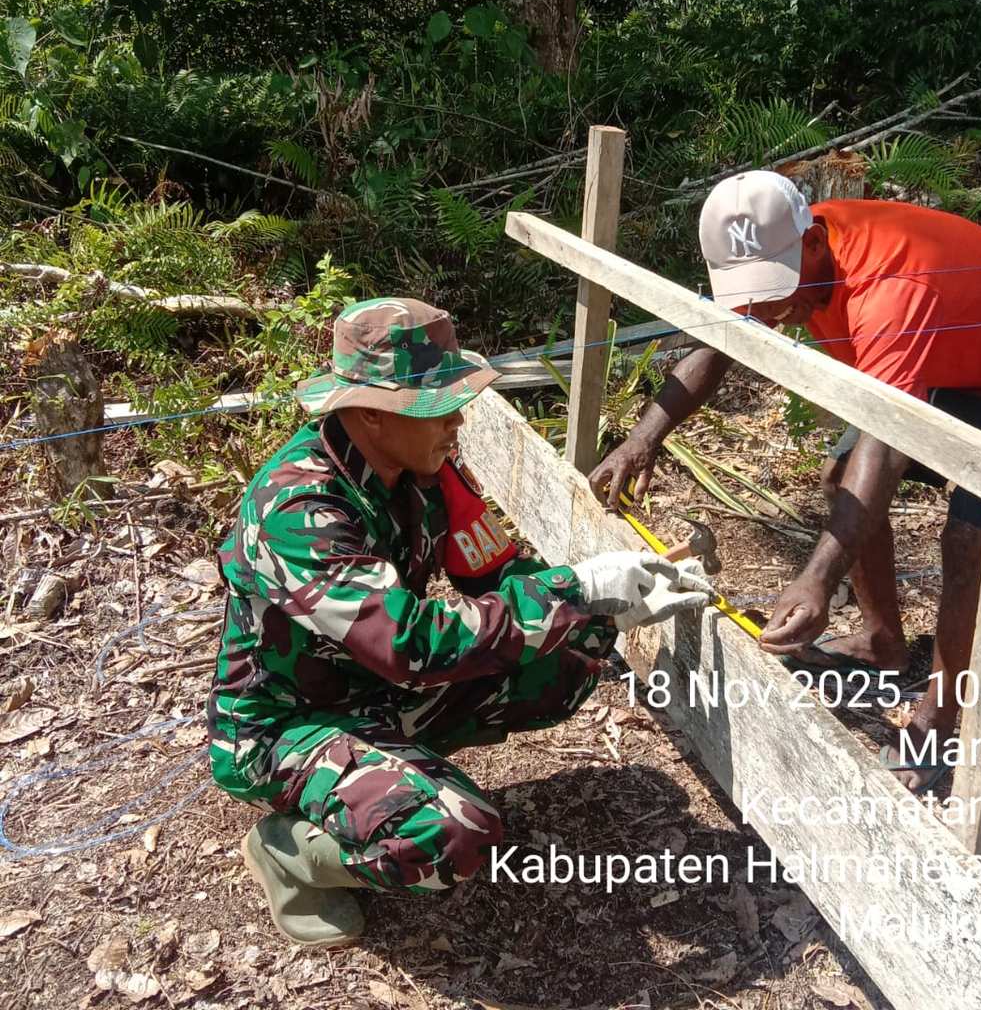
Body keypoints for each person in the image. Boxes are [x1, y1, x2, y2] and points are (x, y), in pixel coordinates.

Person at [207, 298, 711, 946]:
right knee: (452, 836)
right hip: (287, 726)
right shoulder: (298, 507)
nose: (458, 420)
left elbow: (498, 573)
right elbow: (408, 642)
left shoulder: (426, 471)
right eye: (436, 407)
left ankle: (384, 774)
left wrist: (605, 600)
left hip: (376, 693)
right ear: (370, 413)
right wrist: (576, 587)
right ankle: (289, 852)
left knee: (576, 644)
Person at [589, 171, 981, 792]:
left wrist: (818, 579)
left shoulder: (889, 292)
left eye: (776, 290)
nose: (771, 311)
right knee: (841, 478)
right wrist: (642, 439)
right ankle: (884, 643)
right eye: (754, 293)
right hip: (943, 360)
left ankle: (943, 716)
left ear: (812, 242)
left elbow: (885, 447)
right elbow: (722, 341)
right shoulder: (779, 243)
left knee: (971, 538)